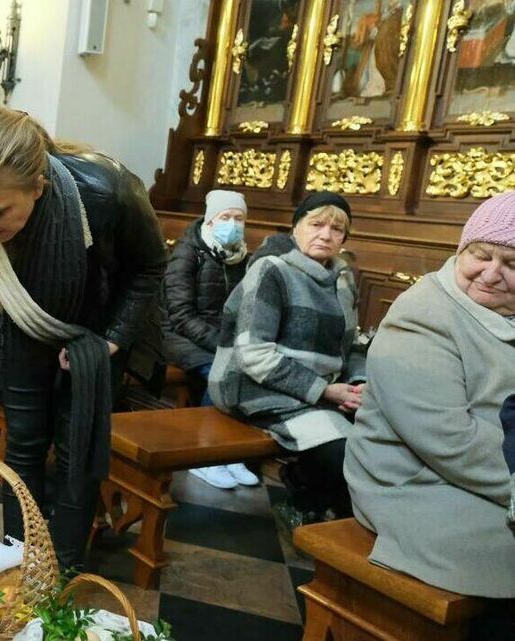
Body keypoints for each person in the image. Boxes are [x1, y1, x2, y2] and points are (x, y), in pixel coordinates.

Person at [0, 108, 168, 570]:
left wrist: (111, 340)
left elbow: (149, 267)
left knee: (78, 461)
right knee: (24, 448)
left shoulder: (106, 191)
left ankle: (65, 575)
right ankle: (23, 566)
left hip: (94, 337)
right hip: (19, 329)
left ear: (38, 187)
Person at [345, 193, 515, 634]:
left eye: (512, 264)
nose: (492, 274)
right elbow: (450, 440)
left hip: (485, 475)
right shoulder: (423, 314)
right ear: (461, 250)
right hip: (416, 482)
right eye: (481, 256)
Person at [209, 191, 365, 524]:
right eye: (316, 224)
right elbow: (254, 354)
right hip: (257, 387)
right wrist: (324, 390)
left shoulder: (343, 280)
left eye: (336, 230)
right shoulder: (272, 271)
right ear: (296, 228)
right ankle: (319, 522)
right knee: (345, 454)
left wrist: (358, 384)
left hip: (318, 391)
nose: (325, 234)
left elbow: (351, 347)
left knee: (379, 442)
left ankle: (323, 516)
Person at [163, 190, 256, 489]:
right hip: (179, 334)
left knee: (250, 370)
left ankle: (229, 452)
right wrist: (225, 346)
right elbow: (180, 314)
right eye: (225, 217)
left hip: (223, 337)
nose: (232, 223)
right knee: (219, 371)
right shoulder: (188, 252)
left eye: (238, 218)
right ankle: (204, 455)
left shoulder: (243, 257)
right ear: (210, 219)